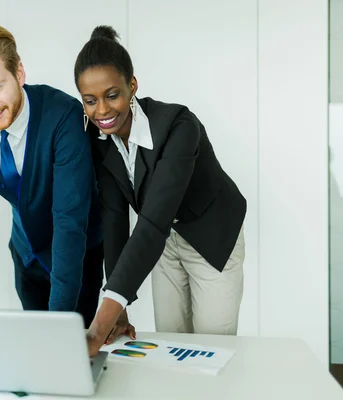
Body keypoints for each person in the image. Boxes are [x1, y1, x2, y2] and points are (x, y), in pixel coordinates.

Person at [74, 26, 247, 355]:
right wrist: (119, 308)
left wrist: (97, 329)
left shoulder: (179, 125)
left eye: (112, 95)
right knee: (172, 344)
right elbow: (114, 219)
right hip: (163, 242)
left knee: (211, 348)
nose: (102, 111)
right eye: (90, 100)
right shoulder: (99, 142)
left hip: (212, 236)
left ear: (132, 85)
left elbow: (152, 220)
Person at [0, 18, 103, 326]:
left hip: (75, 256)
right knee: (34, 353)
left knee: (69, 353)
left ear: (19, 73)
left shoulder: (64, 116)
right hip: (26, 254)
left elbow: (69, 220)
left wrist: (60, 326)